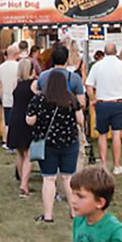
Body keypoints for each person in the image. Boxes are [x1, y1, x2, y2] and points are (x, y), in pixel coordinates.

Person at [27, 61, 83, 223]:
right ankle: (74, 212)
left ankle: (48, 214)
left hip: (47, 144)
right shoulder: (71, 99)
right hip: (69, 142)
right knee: (67, 178)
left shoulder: (39, 99)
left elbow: (30, 120)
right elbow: (80, 120)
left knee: (49, 178)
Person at [86, 43, 122, 175]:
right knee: (116, 134)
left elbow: (89, 85)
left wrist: (92, 99)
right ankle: (116, 165)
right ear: (116, 51)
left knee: (102, 135)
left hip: (102, 103)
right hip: (119, 103)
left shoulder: (97, 66)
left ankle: (103, 164)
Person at [7, 59, 37, 197]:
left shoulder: (16, 84)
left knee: (19, 152)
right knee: (29, 154)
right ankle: (24, 184)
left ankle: (22, 180)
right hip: (26, 118)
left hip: (15, 117)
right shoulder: (34, 84)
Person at [0, 44, 21, 151]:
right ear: (16, 54)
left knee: (7, 122)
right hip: (17, 99)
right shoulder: (18, 66)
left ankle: (6, 142)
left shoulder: (0, 67)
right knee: (17, 122)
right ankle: (15, 142)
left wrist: (2, 97)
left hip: (6, 97)